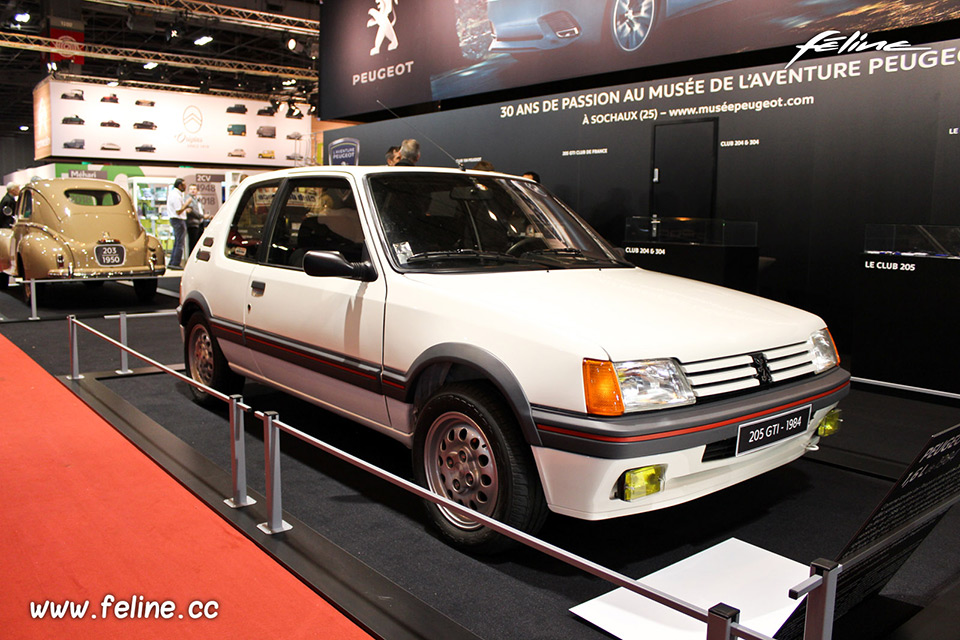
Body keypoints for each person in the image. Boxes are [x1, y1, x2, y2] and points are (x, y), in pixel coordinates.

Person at [166, 178, 189, 268]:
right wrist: (187, 204)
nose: (185, 186)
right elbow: (178, 211)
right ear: (179, 186)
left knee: (177, 242)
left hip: (176, 220)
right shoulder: (175, 195)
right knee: (180, 243)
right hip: (178, 220)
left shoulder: (175, 194)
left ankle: (173, 262)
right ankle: (176, 263)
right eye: (184, 185)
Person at [185, 184, 206, 256]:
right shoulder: (188, 199)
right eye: (191, 189)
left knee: (199, 243)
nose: (193, 190)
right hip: (192, 224)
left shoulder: (197, 200)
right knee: (193, 244)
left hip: (199, 223)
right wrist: (202, 216)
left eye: (194, 189)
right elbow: (191, 211)